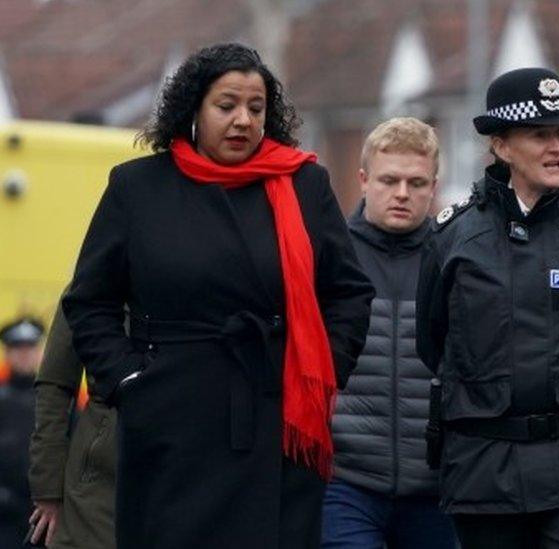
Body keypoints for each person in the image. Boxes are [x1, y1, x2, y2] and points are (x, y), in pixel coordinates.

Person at [62, 43, 374, 549]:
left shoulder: (302, 184)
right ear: (193, 110)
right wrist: (128, 380)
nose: (243, 121)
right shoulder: (137, 187)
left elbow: (350, 293)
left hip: (275, 417)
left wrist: (323, 368)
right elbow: (89, 301)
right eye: (226, 106)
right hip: (169, 416)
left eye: (255, 108)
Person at [416, 67, 559, 549]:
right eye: (539, 134)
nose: (557, 147)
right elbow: (432, 341)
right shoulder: (454, 237)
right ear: (501, 146)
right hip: (485, 470)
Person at [321, 117, 456, 548]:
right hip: (346, 480)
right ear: (363, 180)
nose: (402, 194)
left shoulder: (455, 260)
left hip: (435, 487)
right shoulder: (330, 256)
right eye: (389, 180)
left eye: (416, 183)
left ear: (433, 186)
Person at [28, 303, 116, 549]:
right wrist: (48, 489)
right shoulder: (96, 277)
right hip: (100, 486)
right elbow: (55, 385)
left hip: (183, 468)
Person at [0, 316, 44, 547]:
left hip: (46, 515)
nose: (24, 354)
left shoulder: (58, 402)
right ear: (7, 352)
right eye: (17, 348)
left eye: (30, 347)